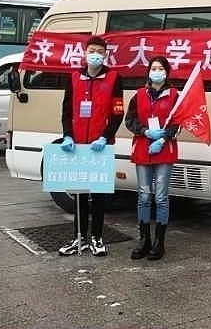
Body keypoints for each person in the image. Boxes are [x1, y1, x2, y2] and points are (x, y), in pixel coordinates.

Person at [57, 35, 124, 257]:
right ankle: (79, 238)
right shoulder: (74, 77)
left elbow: (117, 112)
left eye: (100, 52)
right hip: (78, 146)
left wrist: (105, 137)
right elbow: (66, 111)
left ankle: (96, 237)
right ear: (85, 53)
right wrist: (68, 136)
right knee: (80, 195)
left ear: (105, 54)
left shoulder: (114, 78)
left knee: (99, 195)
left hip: (101, 147)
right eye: (92, 51)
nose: (95, 55)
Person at [123, 56, 180, 261]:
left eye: (160, 68)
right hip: (142, 149)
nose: (156, 72)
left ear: (166, 72)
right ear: (148, 72)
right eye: (153, 68)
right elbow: (130, 120)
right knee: (144, 196)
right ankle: (144, 240)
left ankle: (159, 242)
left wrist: (163, 138)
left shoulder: (174, 95)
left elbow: (178, 124)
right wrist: (145, 132)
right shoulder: (139, 95)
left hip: (164, 150)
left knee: (161, 197)